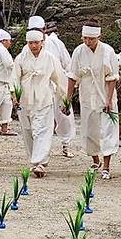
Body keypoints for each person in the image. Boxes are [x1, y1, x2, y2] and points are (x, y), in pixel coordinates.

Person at [66, 21, 120, 179]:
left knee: (107, 130)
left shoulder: (108, 51)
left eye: (91, 39)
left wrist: (109, 100)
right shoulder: (78, 51)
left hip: (104, 95)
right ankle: (96, 160)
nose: (88, 42)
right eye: (85, 39)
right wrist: (67, 99)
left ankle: (107, 166)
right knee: (90, 131)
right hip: (87, 96)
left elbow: (112, 78)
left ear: (99, 37)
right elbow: (72, 76)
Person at [13, 29, 66, 178]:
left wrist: (64, 98)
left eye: (36, 42)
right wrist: (14, 95)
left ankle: (41, 162)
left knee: (41, 130)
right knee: (28, 130)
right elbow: (14, 78)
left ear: (42, 42)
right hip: (25, 98)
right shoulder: (21, 58)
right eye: (30, 43)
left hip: (43, 99)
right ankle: (34, 161)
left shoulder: (50, 58)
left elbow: (59, 78)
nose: (33, 46)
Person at [44, 20, 77, 158]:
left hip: (59, 82)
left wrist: (71, 81)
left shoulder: (56, 43)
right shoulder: (29, 46)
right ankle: (42, 149)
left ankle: (66, 144)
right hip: (40, 85)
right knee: (42, 117)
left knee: (63, 114)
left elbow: (67, 63)